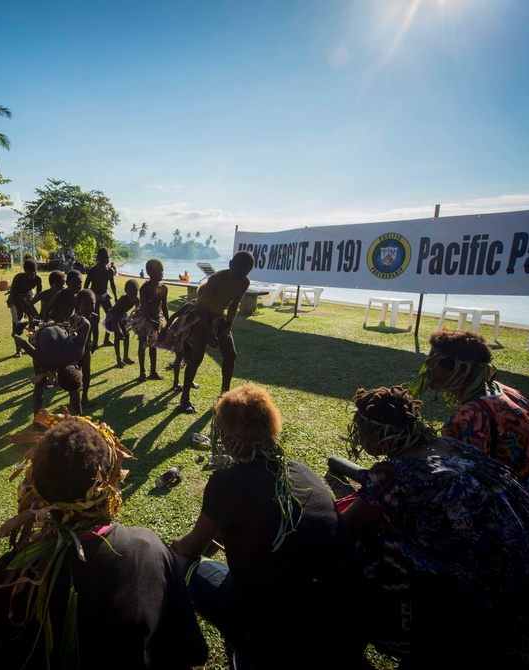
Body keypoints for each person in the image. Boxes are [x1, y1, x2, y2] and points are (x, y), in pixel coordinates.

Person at [341, 386, 529, 667]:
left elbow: (346, 528)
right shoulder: (459, 448)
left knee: (363, 548)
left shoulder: (392, 476)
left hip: (501, 615)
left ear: (373, 433)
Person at [0, 413, 208, 668]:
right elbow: (195, 653)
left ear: (35, 485)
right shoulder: (149, 549)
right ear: (108, 483)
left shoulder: (6, 577)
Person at [172, 384, 364, 668]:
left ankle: (244, 643)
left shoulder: (226, 483)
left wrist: (174, 547)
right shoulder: (301, 470)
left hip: (277, 634)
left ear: (230, 436)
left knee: (178, 562)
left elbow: (191, 546)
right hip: (344, 622)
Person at [411, 329, 529, 516]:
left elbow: (463, 481)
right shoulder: (506, 392)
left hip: (512, 510)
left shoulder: (471, 416)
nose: (428, 369)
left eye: (435, 363)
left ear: (460, 369)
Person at [165, 250, 254, 413]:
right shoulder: (216, 279)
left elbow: (234, 305)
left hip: (220, 318)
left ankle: (224, 396)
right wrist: (207, 332)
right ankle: (184, 398)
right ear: (230, 264)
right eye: (237, 272)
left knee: (231, 355)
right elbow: (201, 307)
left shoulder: (244, 282)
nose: (238, 278)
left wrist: (228, 326)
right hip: (201, 317)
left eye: (243, 274)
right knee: (196, 357)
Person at [128, 259, 169, 382]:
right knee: (142, 344)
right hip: (143, 319)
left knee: (154, 345)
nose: (161, 273)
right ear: (149, 272)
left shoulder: (164, 288)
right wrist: (150, 321)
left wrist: (169, 322)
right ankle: (142, 372)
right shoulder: (144, 288)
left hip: (156, 318)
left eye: (162, 270)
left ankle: (153, 371)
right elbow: (144, 307)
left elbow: (165, 307)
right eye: (158, 270)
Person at [6, 259, 43, 357]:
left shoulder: (38, 279)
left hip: (28, 297)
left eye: (35, 270)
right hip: (16, 298)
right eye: (30, 271)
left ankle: (30, 345)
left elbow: (39, 295)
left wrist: (32, 309)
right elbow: (13, 295)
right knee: (16, 323)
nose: (33, 273)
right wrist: (20, 310)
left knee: (32, 320)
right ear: (25, 270)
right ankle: (18, 349)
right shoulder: (18, 278)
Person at [84, 247, 119, 350]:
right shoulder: (93, 271)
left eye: (108, 257)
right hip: (94, 297)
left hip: (105, 296)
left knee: (111, 316)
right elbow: (86, 285)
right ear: (98, 258)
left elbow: (112, 285)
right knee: (95, 319)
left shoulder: (109, 271)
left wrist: (116, 297)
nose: (107, 260)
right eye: (104, 257)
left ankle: (106, 339)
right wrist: (86, 299)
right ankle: (94, 342)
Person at [107, 279, 140, 368]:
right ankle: (118, 359)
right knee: (117, 337)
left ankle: (125, 357)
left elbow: (137, 312)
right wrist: (117, 330)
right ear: (126, 291)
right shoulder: (122, 300)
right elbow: (115, 317)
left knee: (127, 335)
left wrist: (135, 322)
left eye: (135, 293)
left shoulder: (137, 300)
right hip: (113, 316)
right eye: (130, 293)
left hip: (123, 315)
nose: (133, 295)